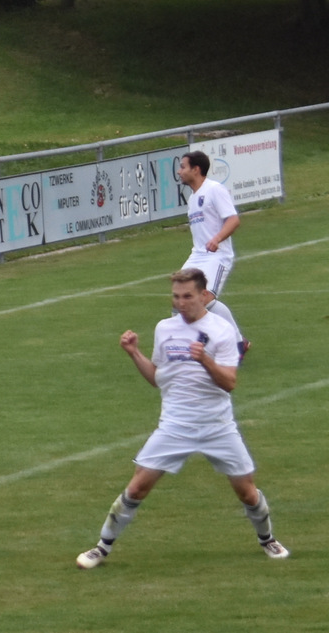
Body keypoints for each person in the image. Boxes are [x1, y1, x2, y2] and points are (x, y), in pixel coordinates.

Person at [75, 268, 289, 569]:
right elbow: (157, 379)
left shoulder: (222, 330)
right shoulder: (165, 329)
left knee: (247, 492)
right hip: (175, 425)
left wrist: (204, 359)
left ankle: (267, 539)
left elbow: (229, 383)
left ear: (203, 295)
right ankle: (101, 548)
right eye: (176, 297)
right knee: (137, 487)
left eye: (187, 296)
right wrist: (134, 353)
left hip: (217, 426)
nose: (180, 303)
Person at [177, 150, 249, 358]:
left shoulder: (214, 189)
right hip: (197, 255)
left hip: (217, 256)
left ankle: (237, 344)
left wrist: (216, 239)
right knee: (180, 298)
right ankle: (186, 347)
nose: (179, 171)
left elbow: (233, 220)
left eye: (183, 167)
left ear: (196, 169)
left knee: (204, 299)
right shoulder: (192, 199)